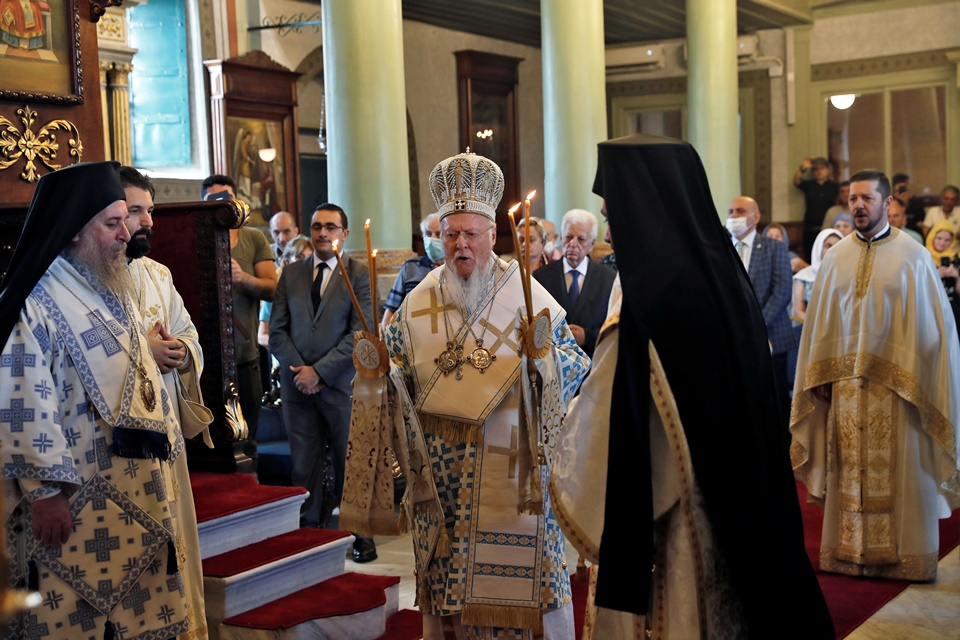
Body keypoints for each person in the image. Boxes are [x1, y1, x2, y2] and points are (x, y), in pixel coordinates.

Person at [554, 133, 833, 638]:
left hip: (673, 513)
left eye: (615, 216)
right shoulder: (720, 269)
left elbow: (606, 410)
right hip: (740, 500)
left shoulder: (647, 297)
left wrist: (554, 436)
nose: (610, 235)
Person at [344, 150, 590, 638]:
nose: (460, 245)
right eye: (450, 234)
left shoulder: (526, 294)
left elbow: (575, 364)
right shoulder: (419, 301)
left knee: (528, 595)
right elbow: (397, 379)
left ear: (492, 236)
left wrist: (541, 360)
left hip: (513, 473)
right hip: (441, 483)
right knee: (448, 594)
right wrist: (377, 373)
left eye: (471, 234)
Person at [0, 162, 203, 638]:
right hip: (76, 506)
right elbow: (23, 400)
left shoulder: (112, 287)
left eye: (125, 221)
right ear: (74, 230)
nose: (126, 234)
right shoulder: (35, 303)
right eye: (113, 223)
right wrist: (46, 493)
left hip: (138, 497)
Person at [792, 169, 960, 581]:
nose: (858, 206)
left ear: (887, 203)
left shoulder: (913, 256)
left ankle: (908, 559)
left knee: (905, 472)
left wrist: (917, 378)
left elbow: (934, 330)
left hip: (900, 392)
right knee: (848, 471)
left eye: (867, 198)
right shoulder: (836, 257)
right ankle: (847, 553)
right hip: (846, 390)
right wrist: (820, 376)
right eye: (853, 199)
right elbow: (820, 327)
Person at [120, 165, 211, 635]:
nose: (147, 222)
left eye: (149, 210)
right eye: (135, 211)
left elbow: (189, 334)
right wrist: (146, 352)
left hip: (166, 430)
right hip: (123, 448)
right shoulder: (90, 277)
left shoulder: (158, 275)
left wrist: (180, 350)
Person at [269, 203, 377, 560]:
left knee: (350, 462)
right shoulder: (291, 274)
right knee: (304, 466)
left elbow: (361, 332)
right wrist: (301, 370)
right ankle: (309, 537)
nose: (322, 233)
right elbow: (277, 331)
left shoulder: (359, 274)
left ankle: (359, 536)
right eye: (316, 226)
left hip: (341, 386)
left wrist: (320, 372)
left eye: (330, 227)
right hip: (297, 388)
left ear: (344, 233)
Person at [201, 174, 276, 465]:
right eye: (212, 200)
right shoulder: (198, 238)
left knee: (249, 434)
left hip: (245, 354)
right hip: (206, 358)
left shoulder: (253, 238)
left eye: (226, 199)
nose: (220, 205)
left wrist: (243, 278)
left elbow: (272, 289)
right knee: (211, 437)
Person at [727, 196, 797, 437]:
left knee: (774, 400)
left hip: (771, 335)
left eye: (740, 211)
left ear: (755, 216)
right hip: (734, 338)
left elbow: (782, 291)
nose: (733, 216)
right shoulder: (722, 249)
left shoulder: (773, 247)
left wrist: (756, 325)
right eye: (730, 211)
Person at [533, 209, 616, 359]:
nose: (573, 244)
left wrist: (587, 337)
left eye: (581, 239)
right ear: (561, 238)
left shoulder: (609, 279)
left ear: (592, 244)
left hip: (592, 362)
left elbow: (614, 330)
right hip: (552, 363)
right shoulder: (541, 277)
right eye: (568, 237)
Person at [381, 212, 444, 328]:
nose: (432, 239)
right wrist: (386, 334)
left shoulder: (456, 269)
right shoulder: (410, 267)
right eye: (428, 234)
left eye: (438, 234)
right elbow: (390, 311)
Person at [258, 235, 314, 349]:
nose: (307, 262)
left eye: (310, 258)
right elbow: (262, 336)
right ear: (288, 261)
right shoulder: (276, 292)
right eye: (300, 257)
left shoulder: (320, 289)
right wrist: (285, 347)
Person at [793, 156, 840, 260]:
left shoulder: (834, 186)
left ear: (828, 170)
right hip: (810, 227)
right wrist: (803, 168)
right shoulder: (810, 185)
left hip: (827, 227)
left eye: (822, 168)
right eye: (816, 169)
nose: (819, 171)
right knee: (810, 256)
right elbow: (796, 181)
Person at [792, 228, 842, 323]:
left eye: (838, 246)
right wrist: (816, 326)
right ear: (819, 247)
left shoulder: (847, 275)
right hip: (809, 326)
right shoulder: (804, 276)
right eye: (828, 246)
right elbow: (798, 310)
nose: (833, 250)